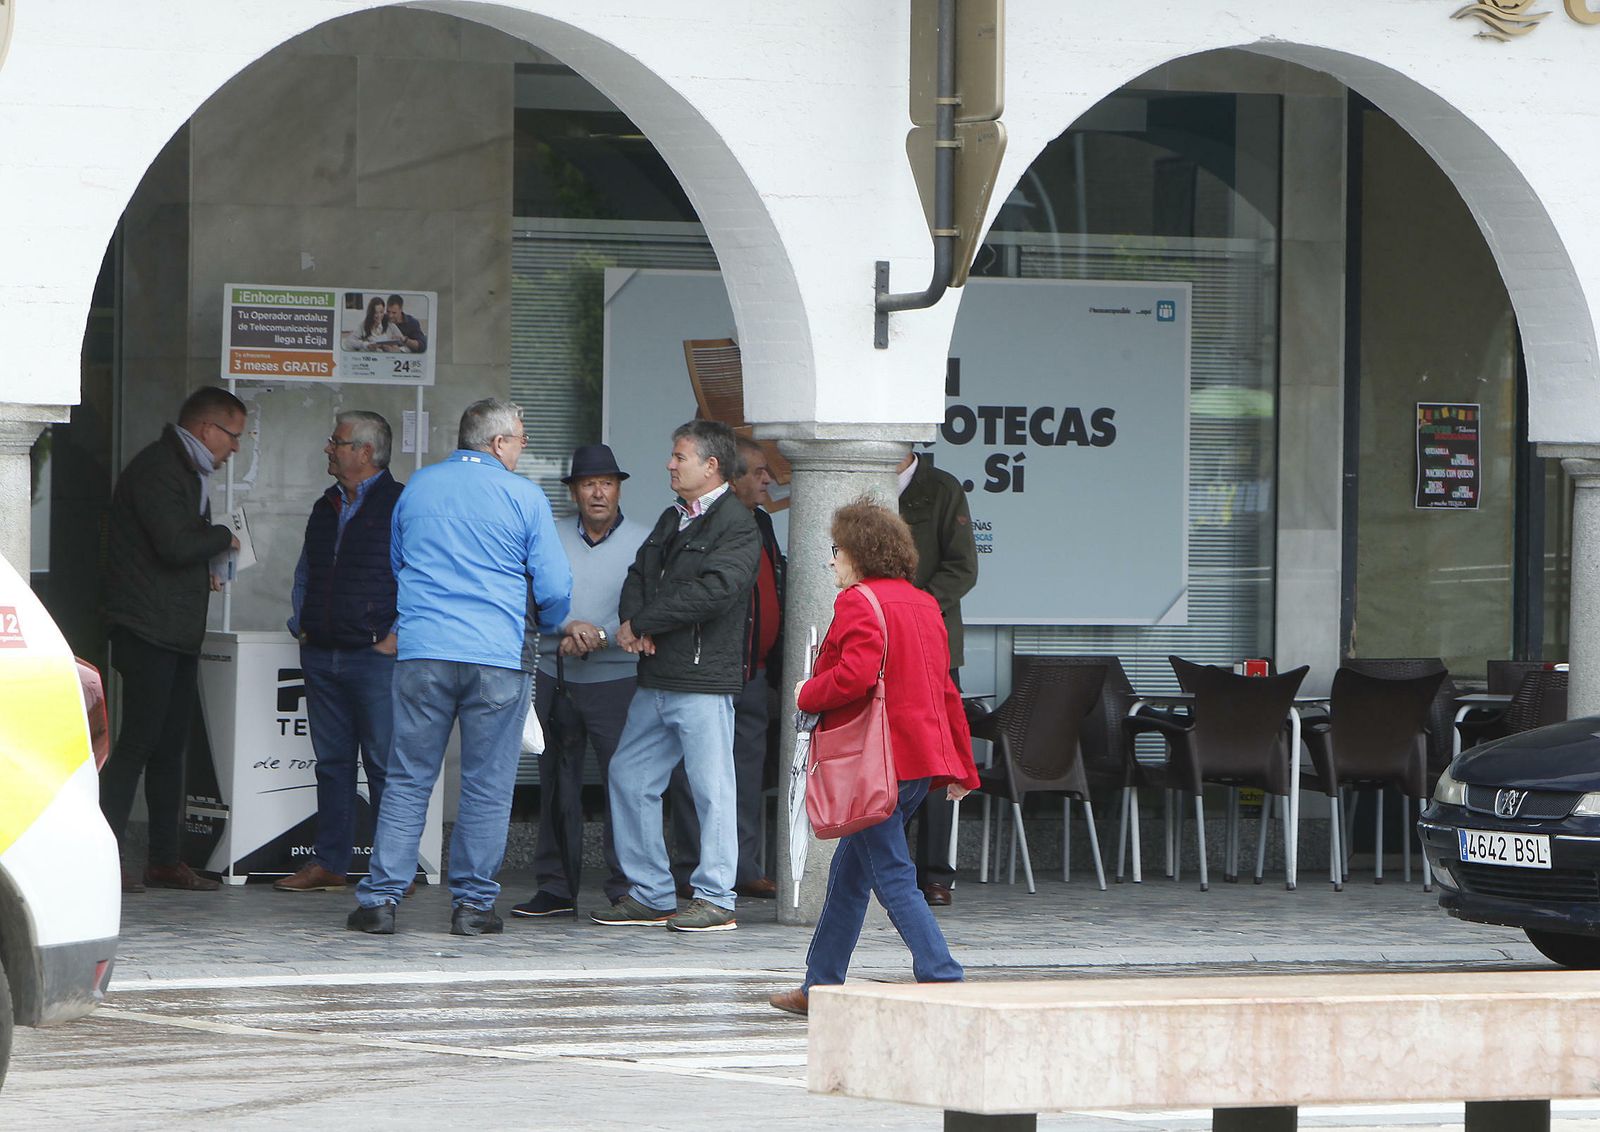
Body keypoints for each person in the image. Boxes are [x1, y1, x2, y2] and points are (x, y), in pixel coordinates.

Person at [348, 398, 570, 936]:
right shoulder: (525, 496)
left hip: (423, 652)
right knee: (487, 785)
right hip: (497, 655)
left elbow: (399, 562)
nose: (521, 449)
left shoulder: (419, 487)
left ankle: (380, 901)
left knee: (406, 777)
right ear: (497, 443)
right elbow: (556, 586)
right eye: (518, 439)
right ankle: (472, 907)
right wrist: (551, 620)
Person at [769, 498, 978, 1017]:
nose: (831, 560)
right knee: (849, 876)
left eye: (836, 549)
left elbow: (855, 677)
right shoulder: (925, 604)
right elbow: (945, 692)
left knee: (891, 874)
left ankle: (941, 973)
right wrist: (961, 766)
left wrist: (806, 693)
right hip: (914, 763)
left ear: (859, 553)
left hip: (874, 763)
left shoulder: (859, 602)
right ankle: (819, 986)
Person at [591, 419, 760, 933]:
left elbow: (716, 592)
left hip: (703, 681)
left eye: (679, 456)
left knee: (712, 789)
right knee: (629, 775)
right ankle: (652, 893)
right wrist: (634, 623)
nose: (670, 464)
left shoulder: (738, 523)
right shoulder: (673, 518)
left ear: (711, 466)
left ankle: (716, 897)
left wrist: (644, 622)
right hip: (657, 677)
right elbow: (638, 574)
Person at [100, 385, 245, 894]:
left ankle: (165, 859)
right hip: (148, 629)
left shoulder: (187, 471)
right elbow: (174, 543)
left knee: (169, 748)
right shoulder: (160, 469)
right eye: (233, 436)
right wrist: (223, 537)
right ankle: (104, 858)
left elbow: (174, 548)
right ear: (208, 430)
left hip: (174, 629)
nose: (235, 449)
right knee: (137, 745)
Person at [511, 444, 646, 919]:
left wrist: (598, 637)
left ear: (619, 489)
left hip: (619, 679)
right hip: (556, 674)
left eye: (607, 483)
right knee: (556, 785)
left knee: (625, 784)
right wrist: (565, 628)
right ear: (573, 491)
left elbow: (647, 609)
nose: (598, 492)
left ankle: (628, 886)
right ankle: (555, 887)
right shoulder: (548, 535)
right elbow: (529, 598)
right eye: (589, 483)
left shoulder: (645, 541)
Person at [276, 411, 404, 893]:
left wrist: (397, 636)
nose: (329, 448)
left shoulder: (400, 504)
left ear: (365, 453)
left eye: (338, 441)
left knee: (384, 765)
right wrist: (301, 624)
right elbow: (305, 572)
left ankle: (395, 869)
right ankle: (330, 862)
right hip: (323, 652)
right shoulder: (325, 505)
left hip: (375, 658)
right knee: (331, 763)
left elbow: (417, 575)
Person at [669, 435, 784, 899]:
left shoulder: (761, 523)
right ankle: (691, 866)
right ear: (730, 478)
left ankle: (743, 865)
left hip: (752, 671)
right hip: (707, 671)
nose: (767, 480)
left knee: (747, 774)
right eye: (758, 473)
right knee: (692, 774)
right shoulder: (695, 523)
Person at [896, 448, 978, 906]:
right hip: (880, 639)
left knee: (938, 760)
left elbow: (963, 568)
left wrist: (917, 606)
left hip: (932, 643)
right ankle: (889, 867)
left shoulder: (941, 488)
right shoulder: (862, 479)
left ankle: (936, 875)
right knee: (888, 758)